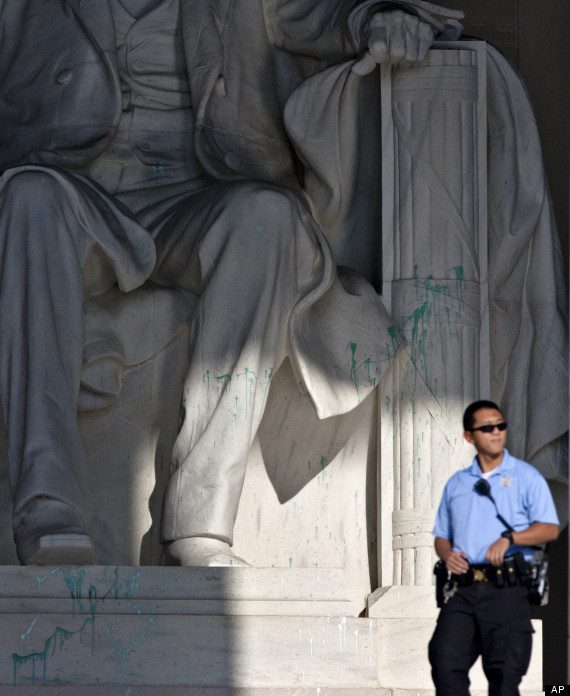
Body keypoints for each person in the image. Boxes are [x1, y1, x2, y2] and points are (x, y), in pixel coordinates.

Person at [0, 0, 466, 565]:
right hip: (70, 191)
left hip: (196, 195)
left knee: (265, 216)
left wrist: (380, 18)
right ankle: (47, 504)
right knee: (28, 197)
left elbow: (329, 12)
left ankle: (200, 522)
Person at [428, 400, 559, 696]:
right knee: (445, 662)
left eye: (501, 425)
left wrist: (510, 539)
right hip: (461, 591)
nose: (497, 432)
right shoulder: (457, 483)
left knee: (504, 677)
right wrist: (447, 554)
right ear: (469, 436)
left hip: (507, 589)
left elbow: (549, 528)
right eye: (487, 428)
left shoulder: (527, 477)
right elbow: (441, 535)